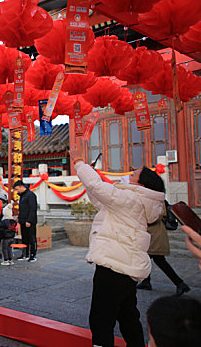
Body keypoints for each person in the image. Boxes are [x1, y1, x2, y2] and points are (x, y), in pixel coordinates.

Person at [70, 147, 166, 347]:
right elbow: (99, 196)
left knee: (101, 319)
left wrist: (79, 162)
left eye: (133, 174)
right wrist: (89, 177)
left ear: (141, 183)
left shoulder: (130, 199)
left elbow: (98, 187)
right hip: (125, 265)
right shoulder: (134, 200)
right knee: (128, 316)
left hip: (114, 265)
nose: (128, 175)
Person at [136, 200, 190, 296]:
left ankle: (180, 283)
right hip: (150, 233)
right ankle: (146, 282)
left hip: (156, 234)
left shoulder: (158, 199)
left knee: (159, 260)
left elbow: (155, 216)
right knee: (146, 258)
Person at [13, 180, 38, 262]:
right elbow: (22, 209)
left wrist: (29, 220)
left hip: (29, 221)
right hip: (23, 220)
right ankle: (25, 254)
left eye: (17, 189)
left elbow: (32, 209)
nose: (17, 191)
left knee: (31, 238)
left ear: (21, 186)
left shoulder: (30, 195)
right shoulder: (23, 196)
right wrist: (19, 218)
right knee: (24, 238)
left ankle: (33, 255)